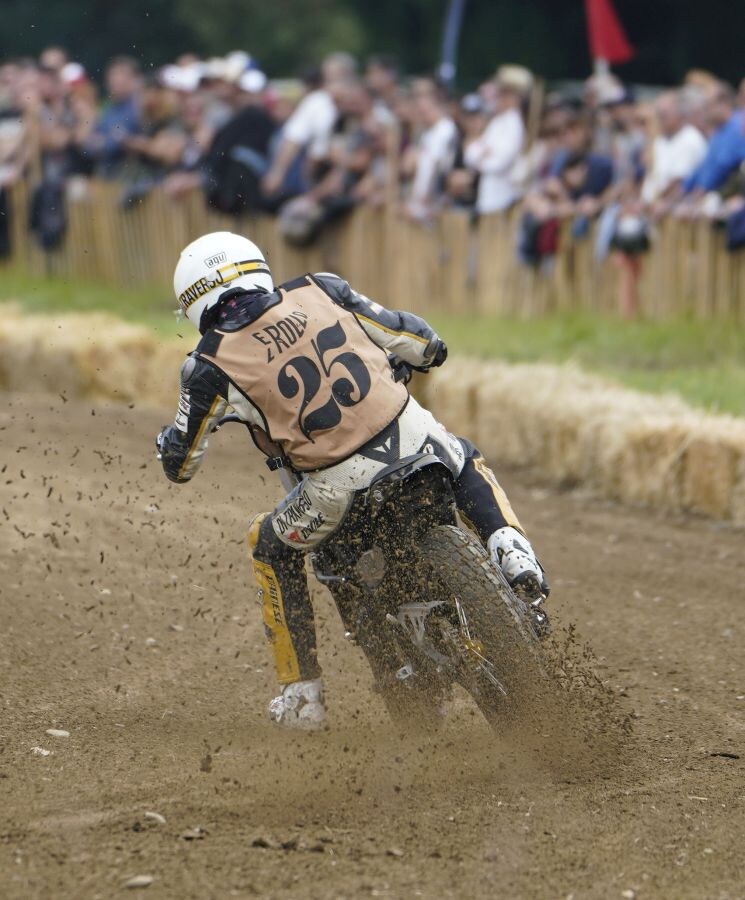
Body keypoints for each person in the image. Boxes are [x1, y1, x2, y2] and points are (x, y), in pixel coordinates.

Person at [156, 232, 549, 730]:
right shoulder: (321, 288)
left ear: (194, 302)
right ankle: (510, 548)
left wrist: (167, 442)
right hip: (413, 438)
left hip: (333, 488)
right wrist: (424, 355)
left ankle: (302, 696)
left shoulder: (206, 366)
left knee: (267, 545)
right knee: (465, 458)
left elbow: (180, 463)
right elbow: (424, 342)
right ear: (256, 267)